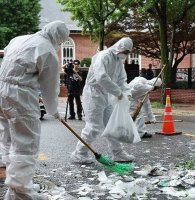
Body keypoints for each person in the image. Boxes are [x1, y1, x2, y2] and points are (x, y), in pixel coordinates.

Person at [0, 21, 69, 200]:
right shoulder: (47, 51)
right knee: (25, 144)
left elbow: (8, 54)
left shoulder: (20, 39)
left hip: (1, 90)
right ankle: (21, 192)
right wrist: (54, 111)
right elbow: (50, 87)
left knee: (8, 139)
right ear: (58, 38)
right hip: (19, 97)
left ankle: (17, 187)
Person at [71, 37, 135, 163]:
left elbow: (122, 80)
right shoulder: (103, 56)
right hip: (93, 93)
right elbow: (101, 77)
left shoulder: (118, 62)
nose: (126, 55)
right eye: (125, 52)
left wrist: (127, 93)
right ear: (119, 47)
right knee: (93, 126)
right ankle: (79, 153)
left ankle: (117, 153)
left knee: (111, 125)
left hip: (107, 94)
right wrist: (118, 92)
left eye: (128, 52)